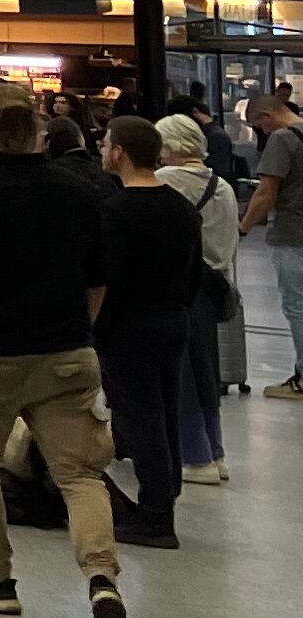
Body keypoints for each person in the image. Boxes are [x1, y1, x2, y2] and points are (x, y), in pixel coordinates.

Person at [0, 84, 133, 618]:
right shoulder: (77, 187)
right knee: (79, 475)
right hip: (68, 351)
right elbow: (97, 278)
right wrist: (82, 329)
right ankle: (102, 582)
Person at [95, 113, 199, 552]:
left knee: (140, 419)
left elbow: (105, 278)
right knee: (165, 411)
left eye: (105, 144)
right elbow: (195, 272)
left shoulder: (115, 212)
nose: (102, 150)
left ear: (119, 152)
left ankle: (156, 515)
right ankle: (164, 497)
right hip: (173, 319)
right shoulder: (179, 207)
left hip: (127, 324)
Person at [158, 114, 239, 486]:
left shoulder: (165, 183)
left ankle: (195, 454)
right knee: (206, 371)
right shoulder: (222, 185)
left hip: (179, 287)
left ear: (171, 147)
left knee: (183, 374)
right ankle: (214, 451)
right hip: (214, 286)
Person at [249, 89, 302, 399]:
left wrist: (243, 227)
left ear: (268, 116)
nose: (261, 132)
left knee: (298, 306)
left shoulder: (282, 140)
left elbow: (266, 192)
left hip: (294, 232)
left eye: (259, 126)